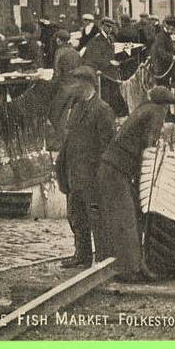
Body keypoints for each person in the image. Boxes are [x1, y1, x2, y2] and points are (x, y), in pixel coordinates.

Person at [97, 86, 175, 281]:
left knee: (125, 218)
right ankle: (131, 270)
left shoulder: (143, 108)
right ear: (165, 106)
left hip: (112, 168)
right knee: (127, 220)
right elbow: (148, 147)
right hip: (116, 171)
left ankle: (128, 265)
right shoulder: (156, 112)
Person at [55, 66, 116, 268]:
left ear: (86, 84)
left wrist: (102, 175)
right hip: (75, 174)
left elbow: (107, 146)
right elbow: (69, 139)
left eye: (76, 84)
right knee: (77, 217)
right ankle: (82, 255)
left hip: (92, 176)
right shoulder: (77, 107)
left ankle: (102, 258)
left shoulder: (102, 110)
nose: (72, 88)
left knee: (96, 218)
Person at [149, 17, 175, 87]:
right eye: (171, 26)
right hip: (160, 67)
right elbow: (162, 54)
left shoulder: (167, 36)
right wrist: (172, 57)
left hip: (166, 66)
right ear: (166, 25)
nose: (173, 29)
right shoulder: (160, 36)